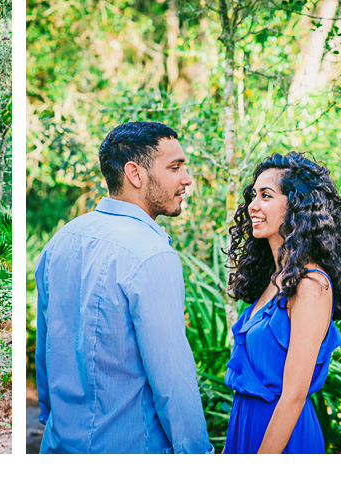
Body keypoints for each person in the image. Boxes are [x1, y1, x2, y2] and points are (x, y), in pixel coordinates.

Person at [34, 121, 212, 454]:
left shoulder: (61, 241)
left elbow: (45, 352)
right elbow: (173, 379)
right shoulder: (152, 255)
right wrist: (196, 455)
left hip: (58, 446)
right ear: (135, 173)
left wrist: (49, 416)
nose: (186, 179)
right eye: (175, 167)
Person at [222, 152, 341, 453]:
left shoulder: (311, 286)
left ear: (296, 207)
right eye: (253, 195)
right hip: (244, 425)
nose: (253, 206)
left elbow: (294, 394)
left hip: (283, 436)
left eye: (266, 196)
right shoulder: (274, 280)